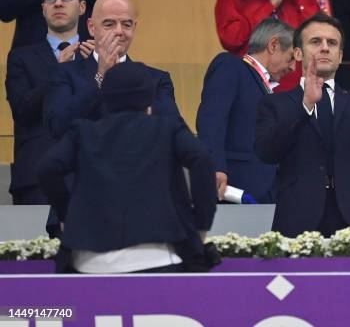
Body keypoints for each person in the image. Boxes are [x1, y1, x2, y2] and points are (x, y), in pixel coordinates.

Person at [38, 62, 217, 273]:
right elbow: (202, 160)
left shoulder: (83, 132)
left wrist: (66, 213)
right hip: (158, 255)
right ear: (149, 101)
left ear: (105, 98)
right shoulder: (167, 129)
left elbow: (47, 168)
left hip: (89, 260)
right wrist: (201, 223)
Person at [254, 13, 350, 238]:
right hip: (297, 219)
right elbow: (266, 152)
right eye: (316, 42)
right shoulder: (274, 103)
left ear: (340, 55)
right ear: (297, 53)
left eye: (332, 43)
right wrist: (305, 105)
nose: (325, 48)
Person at [5, 0, 94, 205]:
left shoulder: (100, 57)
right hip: (37, 177)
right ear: (43, 8)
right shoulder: (20, 58)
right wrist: (58, 71)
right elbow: (22, 111)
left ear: (82, 7)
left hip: (95, 174)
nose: (57, 3)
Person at [44, 0, 180, 138]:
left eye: (126, 24)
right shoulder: (65, 73)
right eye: (109, 24)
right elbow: (57, 126)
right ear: (91, 27)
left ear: (134, 27)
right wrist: (101, 75)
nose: (119, 31)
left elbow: (172, 132)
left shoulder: (156, 80)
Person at [196, 18, 295, 203]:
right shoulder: (231, 66)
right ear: (273, 45)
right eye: (290, 58)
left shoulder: (271, 89)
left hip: (269, 192)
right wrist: (215, 167)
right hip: (234, 186)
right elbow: (212, 119)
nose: (292, 67)